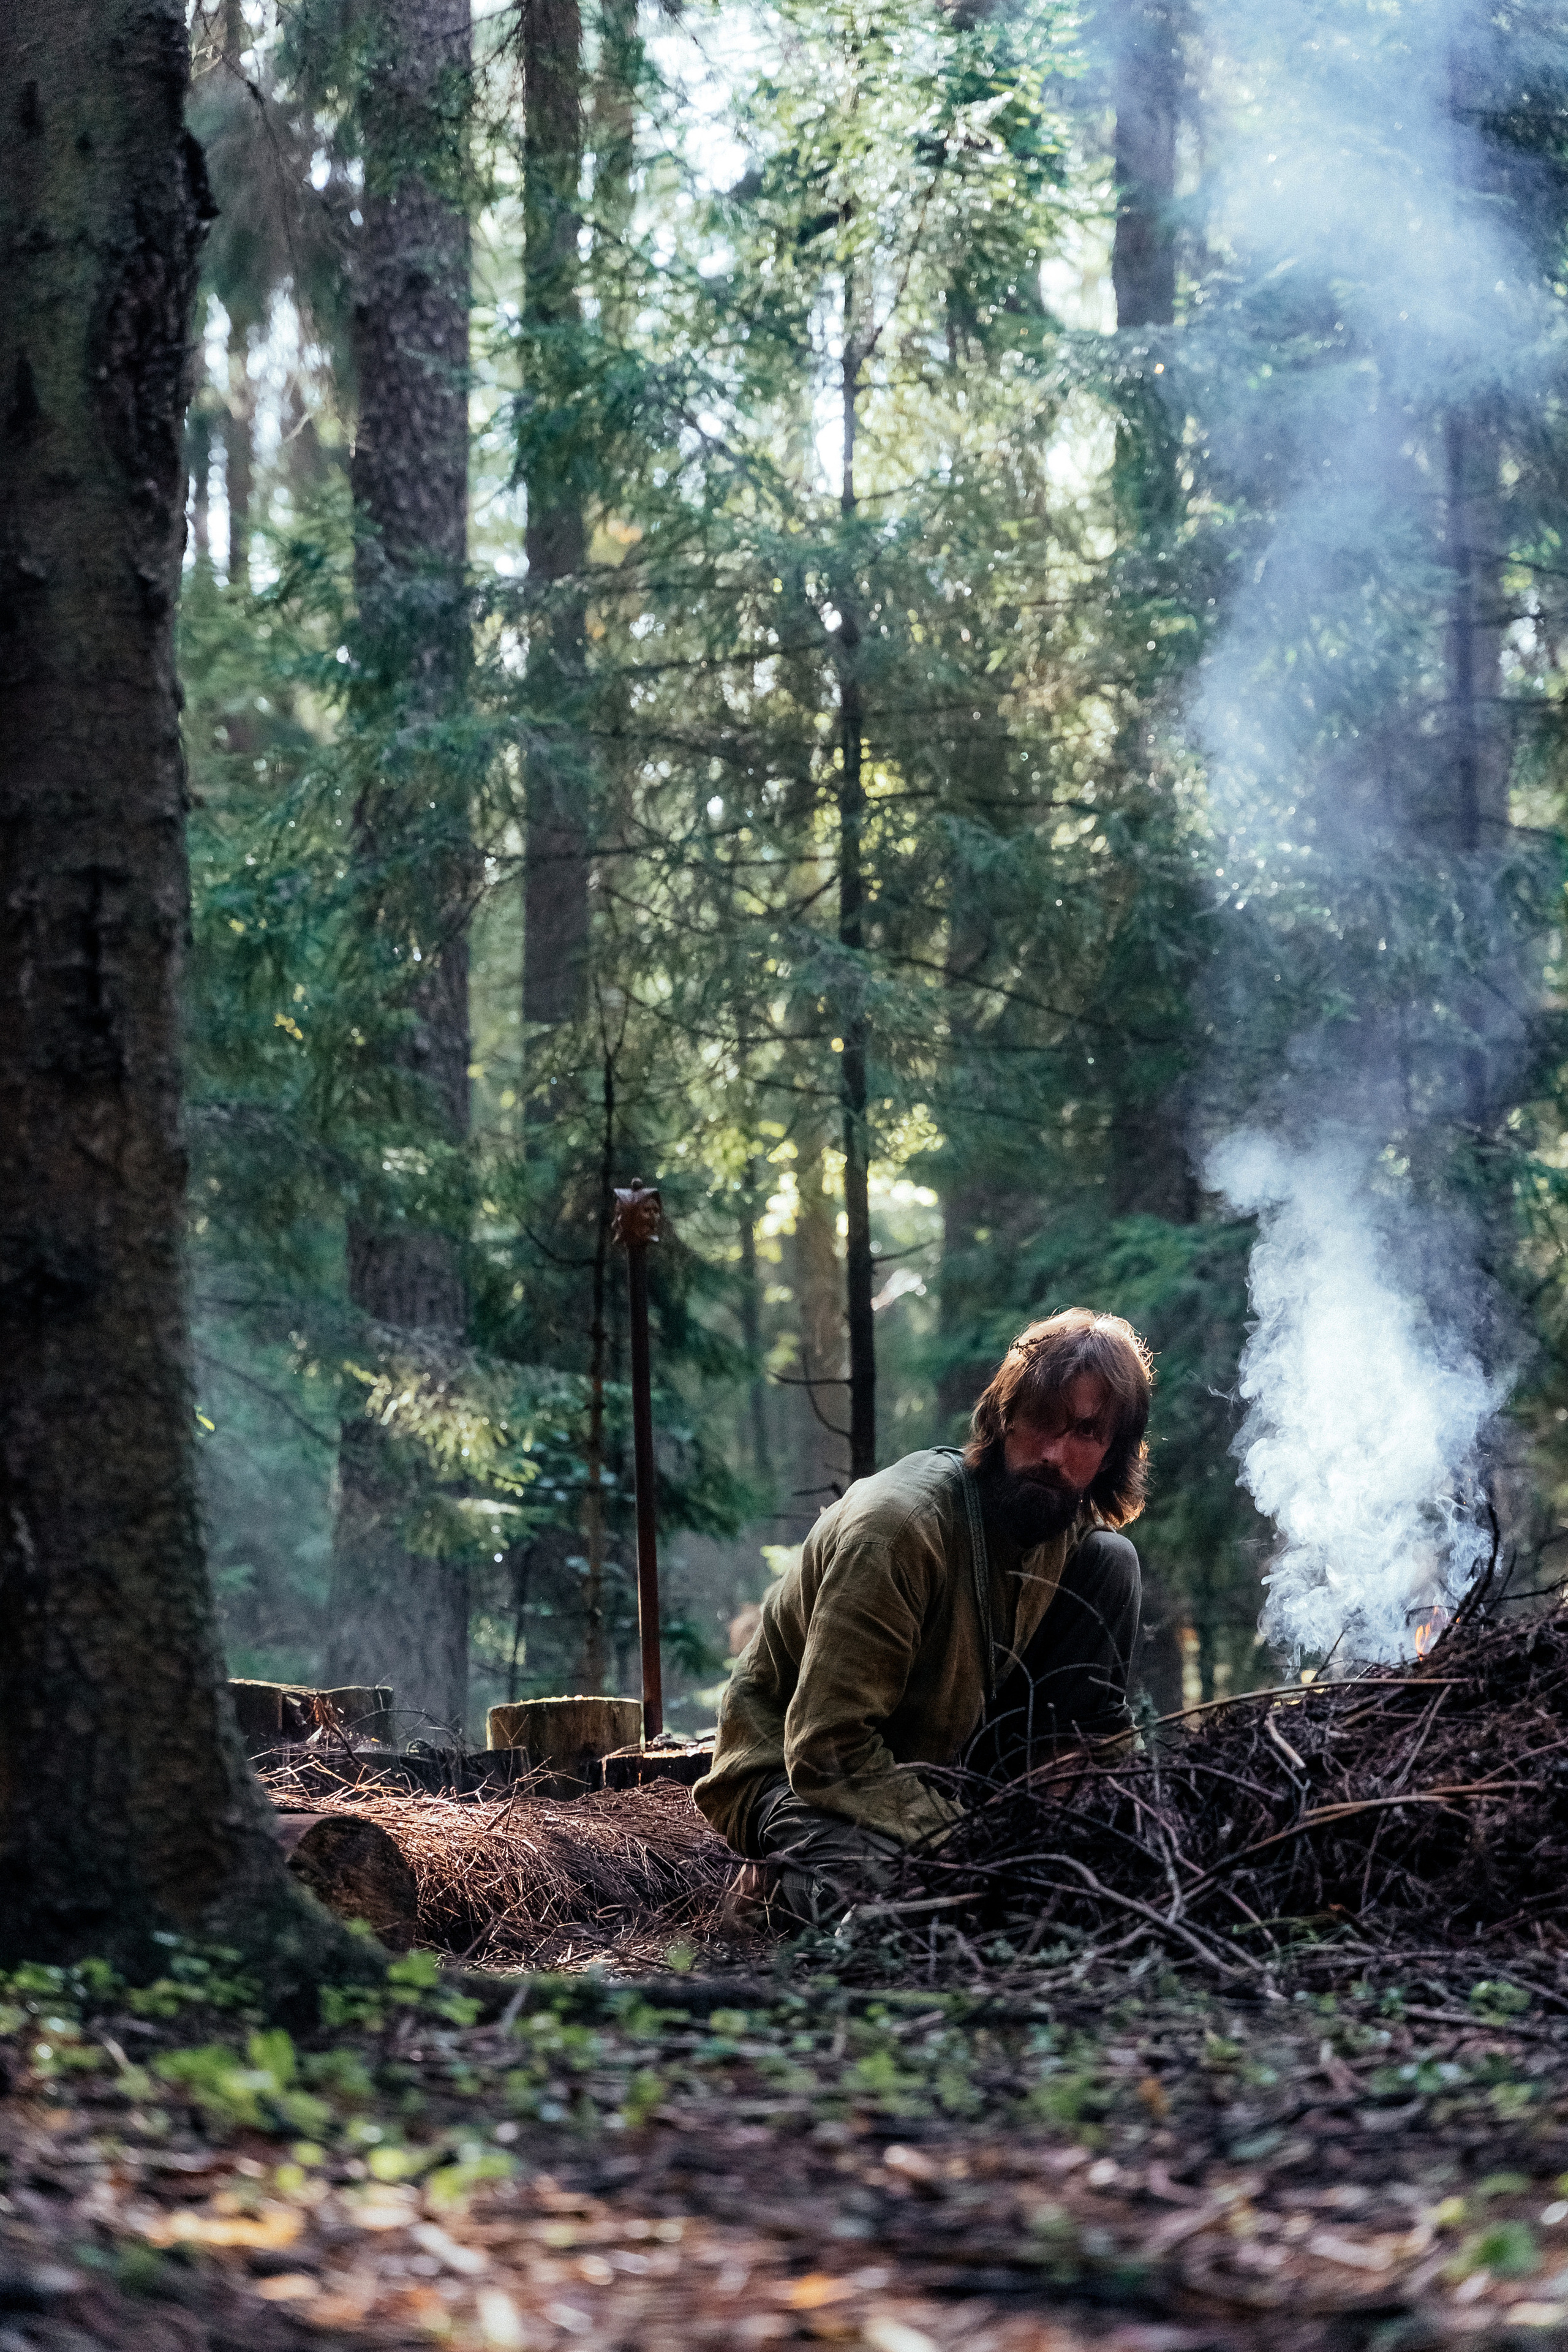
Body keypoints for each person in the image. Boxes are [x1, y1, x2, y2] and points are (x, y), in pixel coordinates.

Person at [694, 1308, 1153, 1928]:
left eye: (1087, 1432)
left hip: (948, 1774)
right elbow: (827, 1749)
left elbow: (1092, 1733)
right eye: (1041, 1419)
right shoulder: (898, 1531)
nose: (1054, 1452)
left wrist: (1119, 1828)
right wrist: (980, 1846)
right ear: (1003, 1417)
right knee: (924, 1912)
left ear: (1110, 1453)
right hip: (796, 1775)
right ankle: (777, 1882)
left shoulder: (1066, 1531)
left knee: (1114, 1560)